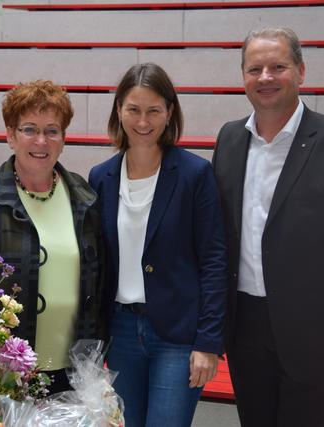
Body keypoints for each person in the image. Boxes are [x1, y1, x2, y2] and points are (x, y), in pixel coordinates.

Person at [212, 27, 324, 427]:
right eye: (254, 68)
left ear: (301, 72)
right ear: (243, 77)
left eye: (278, 66)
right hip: (244, 326)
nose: (266, 77)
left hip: (313, 332)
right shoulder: (230, 138)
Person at [0, 80, 104, 395]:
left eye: (52, 130)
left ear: (63, 138)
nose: (41, 141)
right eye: (29, 129)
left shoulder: (84, 196)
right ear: (10, 135)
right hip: (0, 369)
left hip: (73, 371)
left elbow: (98, 287)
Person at [88, 63, 227, 427]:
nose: (143, 121)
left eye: (153, 110)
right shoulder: (100, 177)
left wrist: (208, 342)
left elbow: (214, 260)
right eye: (133, 109)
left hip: (178, 336)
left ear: (169, 112)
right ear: (119, 109)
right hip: (121, 331)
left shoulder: (195, 174)